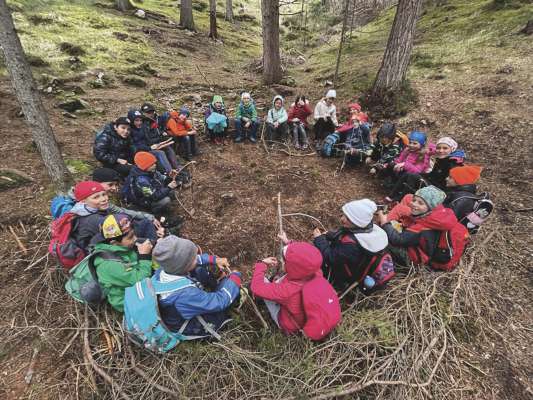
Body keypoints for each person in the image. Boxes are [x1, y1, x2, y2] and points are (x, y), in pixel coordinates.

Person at [152, 235, 242, 338]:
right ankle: (223, 323)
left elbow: (192, 260)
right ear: (183, 266)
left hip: (178, 309)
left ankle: (215, 285)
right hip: (188, 326)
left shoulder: (164, 270)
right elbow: (219, 301)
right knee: (225, 304)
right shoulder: (186, 294)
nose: (197, 257)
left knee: (199, 270)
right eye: (193, 257)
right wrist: (234, 278)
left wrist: (213, 260)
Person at [313, 199, 388, 291]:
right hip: (353, 263)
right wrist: (328, 235)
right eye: (344, 214)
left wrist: (319, 239)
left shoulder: (351, 246)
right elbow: (344, 232)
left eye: (348, 218)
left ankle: (334, 284)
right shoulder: (365, 228)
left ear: (357, 222)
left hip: (346, 275)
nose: (342, 219)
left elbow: (330, 257)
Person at [250, 241, 324, 335]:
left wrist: (262, 264)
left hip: (289, 324)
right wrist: (289, 243)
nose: (282, 262)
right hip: (303, 315)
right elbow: (305, 257)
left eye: (285, 261)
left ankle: (260, 301)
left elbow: (256, 287)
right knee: (283, 279)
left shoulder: (287, 291)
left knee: (263, 281)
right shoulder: (317, 272)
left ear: (294, 267)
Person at [68, 181, 163, 252]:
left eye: (104, 194)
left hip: (111, 238)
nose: (104, 199)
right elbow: (121, 228)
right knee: (150, 239)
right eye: (96, 197)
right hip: (102, 250)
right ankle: (157, 253)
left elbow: (122, 215)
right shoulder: (91, 219)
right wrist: (154, 242)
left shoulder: (95, 208)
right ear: (83, 201)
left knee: (145, 224)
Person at [377, 185, 458, 266]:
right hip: (418, 249)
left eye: (420, 203)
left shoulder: (424, 226)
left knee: (382, 240)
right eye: (414, 200)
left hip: (415, 260)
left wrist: (385, 223)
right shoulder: (432, 217)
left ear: (430, 207)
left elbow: (398, 240)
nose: (414, 204)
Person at [93, 213, 154, 312]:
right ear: (113, 243)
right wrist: (144, 256)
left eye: (134, 235)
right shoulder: (109, 265)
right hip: (128, 301)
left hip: (135, 279)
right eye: (130, 237)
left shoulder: (121, 247)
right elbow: (141, 281)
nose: (135, 239)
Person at [384, 137, 465, 199]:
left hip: (439, 190)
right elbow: (432, 174)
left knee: (413, 177)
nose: (441, 151)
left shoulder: (452, 163)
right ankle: (391, 196)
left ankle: (399, 199)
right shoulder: (441, 159)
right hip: (433, 183)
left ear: (452, 149)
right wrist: (421, 175)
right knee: (410, 174)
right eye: (439, 148)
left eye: (445, 148)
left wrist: (420, 176)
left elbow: (449, 184)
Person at [385, 131, 434, 203]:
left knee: (408, 175)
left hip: (413, 178)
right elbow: (399, 160)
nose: (411, 145)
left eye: (415, 143)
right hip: (404, 172)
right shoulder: (407, 150)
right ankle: (393, 184)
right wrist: (393, 164)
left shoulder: (423, 155)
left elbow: (418, 171)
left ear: (421, 144)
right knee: (391, 165)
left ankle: (399, 197)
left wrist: (404, 165)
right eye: (410, 142)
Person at [128, 109, 174, 174]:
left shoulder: (142, 128)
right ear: (131, 121)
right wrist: (150, 148)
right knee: (160, 153)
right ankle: (169, 173)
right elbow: (134, 146)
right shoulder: (129, 131)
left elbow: (147, 140)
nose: (139, 122)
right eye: (136, 120)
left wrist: (159, 142)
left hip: (147, 147)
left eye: (140, 120)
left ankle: (175, 167)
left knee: (167, 148)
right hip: (139, 153)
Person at [140, 103, 180, 170]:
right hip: (149, 145)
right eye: (148, 112)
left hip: (156, 141)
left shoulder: (155, 119)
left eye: (151, 112)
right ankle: (170, 171)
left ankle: (176, 167)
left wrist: (162, 133)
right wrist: (159, 139)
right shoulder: (143, 123)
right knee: (161, 152)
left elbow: (159, 129)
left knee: (169, 146)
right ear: (143, 113)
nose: (150, 114)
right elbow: (148, 139)